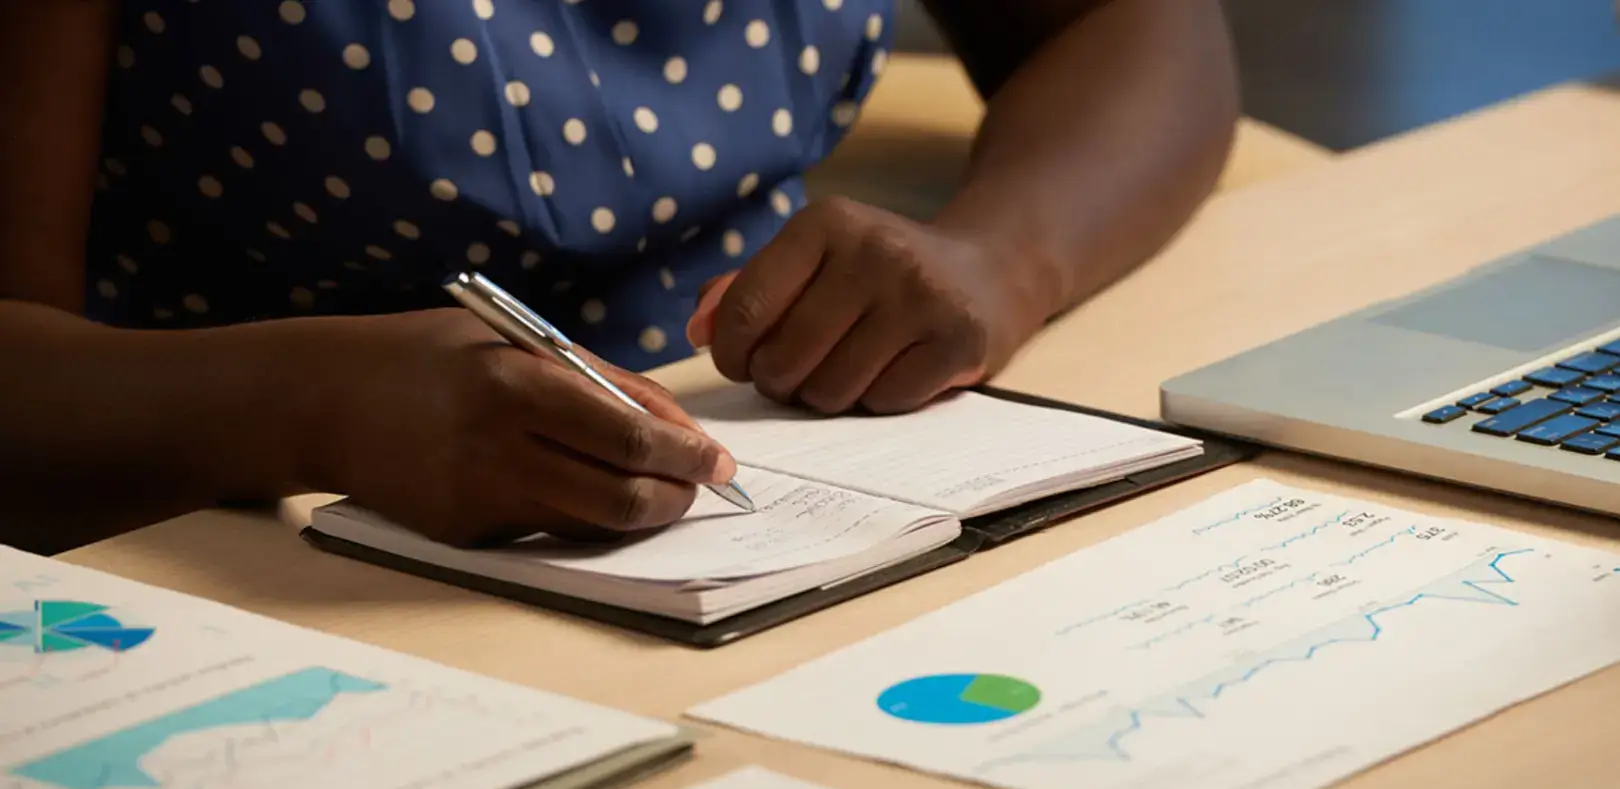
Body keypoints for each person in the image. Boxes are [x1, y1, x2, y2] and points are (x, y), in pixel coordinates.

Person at [0, 0, 1238, 553]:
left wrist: (996, 256)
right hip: (218, 540)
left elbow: (1129, 24)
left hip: (798, 478)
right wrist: (302, 409)